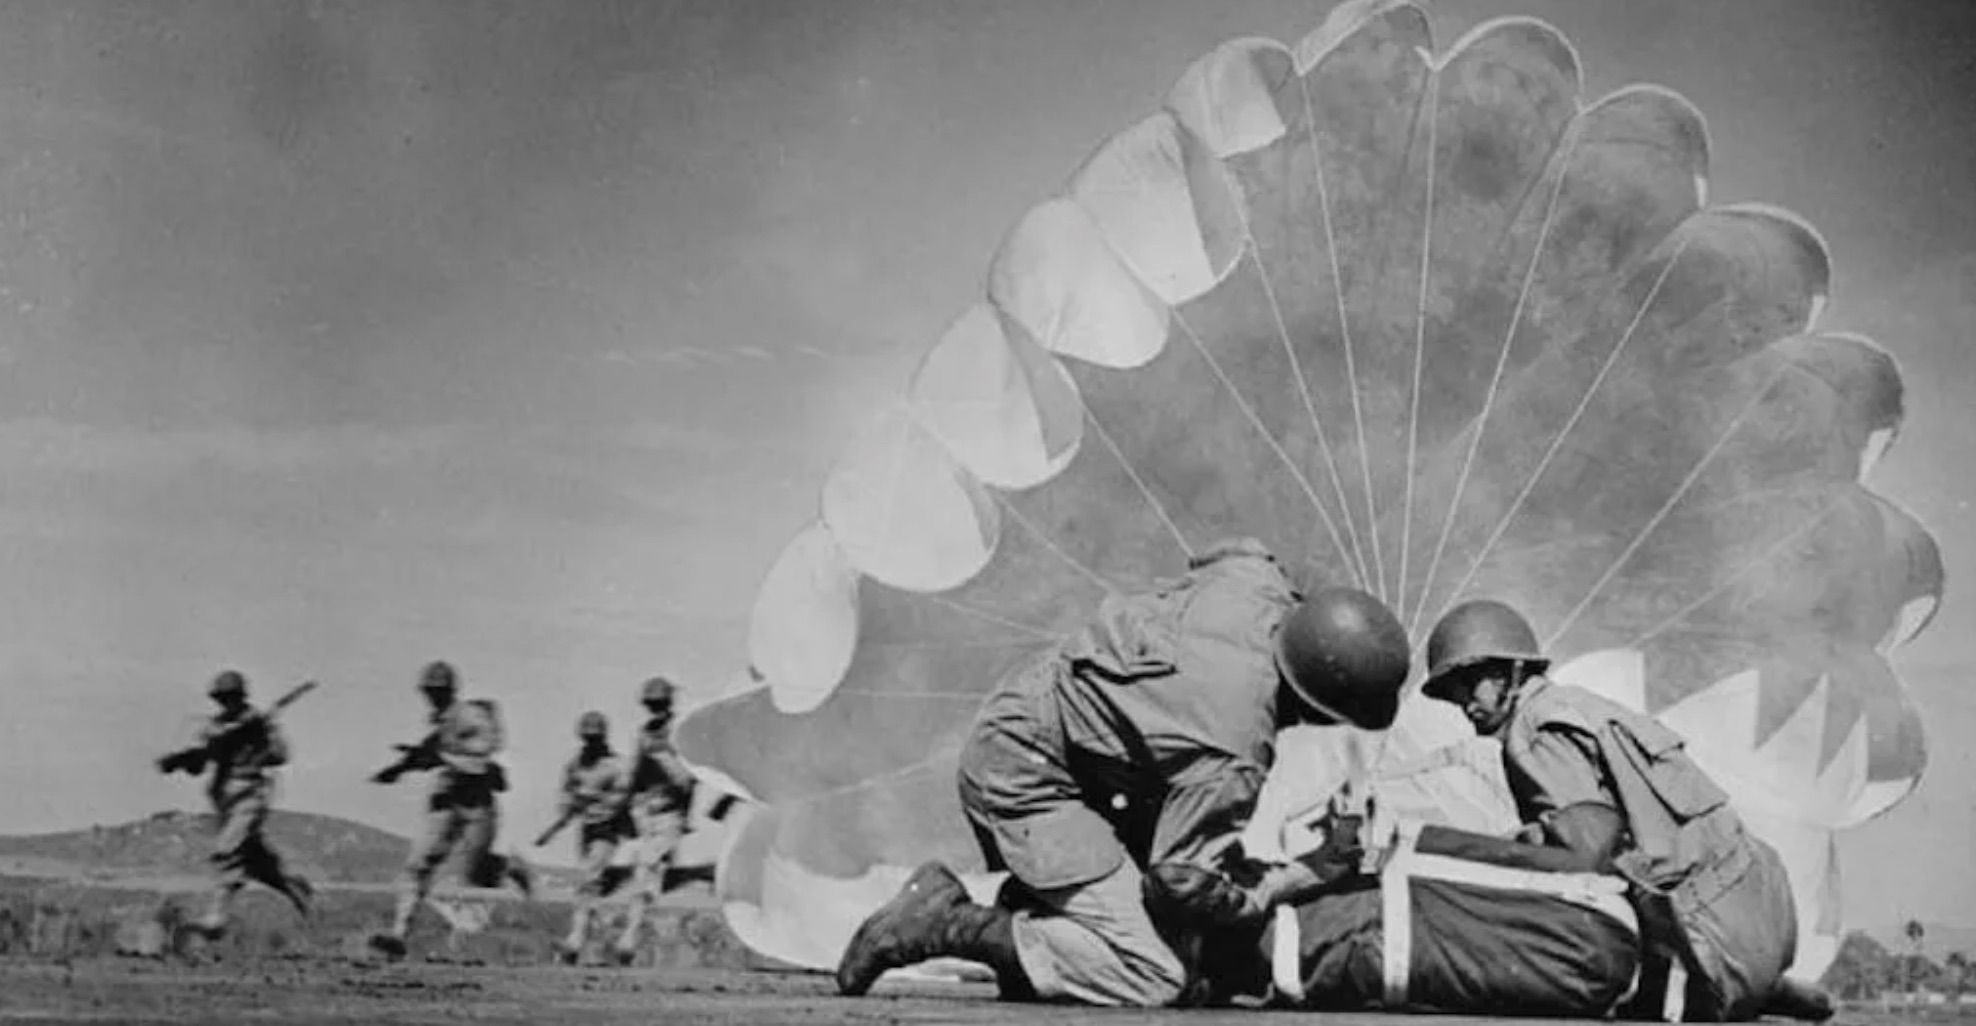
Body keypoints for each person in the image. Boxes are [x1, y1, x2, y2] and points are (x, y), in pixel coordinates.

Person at [834, 537, 1413, 1007]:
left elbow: (1232, 550)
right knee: (1156, 974)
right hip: (1028, 776)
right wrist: (1300, 875)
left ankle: (1043, 919)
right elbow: (1177, 885)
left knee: (1178, 936)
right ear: (1314, 704)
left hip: (1060, 733)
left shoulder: (1256, 585)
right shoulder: (1232, 746)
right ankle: (943, 922)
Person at [1418, 599, 1835, 1022]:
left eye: (1471, 683)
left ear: (1514, 671)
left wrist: (1497, 856)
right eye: (1454, 696)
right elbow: (1652, 851)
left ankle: (1737, 992)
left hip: (1707, 945)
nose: (1465, 704)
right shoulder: (1579, 704)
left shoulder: (1532, 729)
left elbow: (1591, 848)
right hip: (1761, 917)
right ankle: (1761, 991)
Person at [366, 660, 534, 958]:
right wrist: (398, 769)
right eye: (430, 692)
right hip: (447, 801)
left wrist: (445, 756)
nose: (433, 697)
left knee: (473, 872)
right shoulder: (440, 724)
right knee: (417, 866)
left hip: (478, 805)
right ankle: (399, 935)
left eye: (439, 691)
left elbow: (486, 748)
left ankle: (508, 868)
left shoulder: (469, 716)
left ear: (451, 691)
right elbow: (428, 754)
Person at [155, 670, 314, 937]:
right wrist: (181, 761)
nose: (226, 704)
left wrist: (259, 737)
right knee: (257, 864)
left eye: (231, 698)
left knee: (227, 851)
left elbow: (281, 755)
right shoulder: (214, 726)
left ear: (241, 697)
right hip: (224, 801)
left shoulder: (258, 724)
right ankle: (295, 889)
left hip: (251, 795)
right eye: (222, 699)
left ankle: (216, 919)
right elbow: (199, 763)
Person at [610, 675, 702, 964]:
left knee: (646, 870)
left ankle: (630, 936)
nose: (656, 711)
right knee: (645, 874)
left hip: (670, 815)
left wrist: (663, 757)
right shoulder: (644, 734)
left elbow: (687, 782)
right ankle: (699, 874)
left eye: (660, 705)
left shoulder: (681, 734)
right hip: (644, 816)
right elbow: (632, 777)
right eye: (652, 706)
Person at [551, 711, 633, 964]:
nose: (591, 744)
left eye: (595, 739)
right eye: (588, 739)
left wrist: (595, 800)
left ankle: (576, 939)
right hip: (587, 827)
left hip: (608, 828)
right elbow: (566, 792)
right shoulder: (576, 764)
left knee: (589, 877)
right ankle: (595, 941)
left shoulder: (616, 765)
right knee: (589, 881)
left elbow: (621, 798)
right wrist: (568, 807)